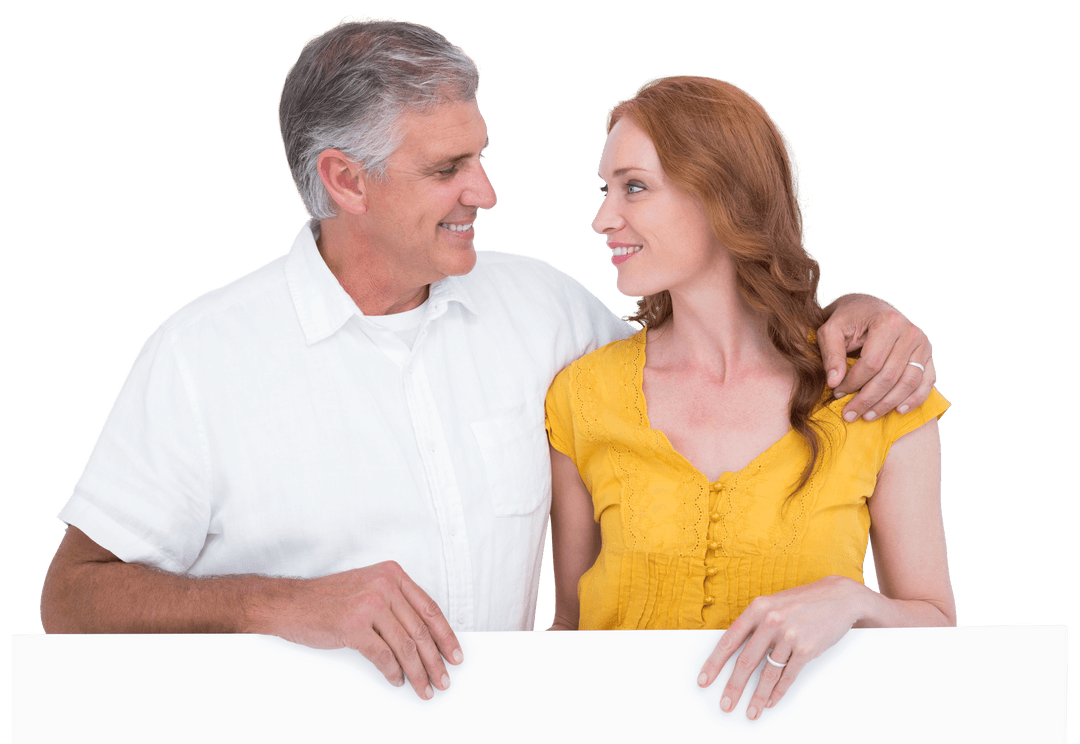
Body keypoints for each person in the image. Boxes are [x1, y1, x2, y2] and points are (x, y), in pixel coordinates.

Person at [39, 18, 938, 702]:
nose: (487, 192)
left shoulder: (537, 309)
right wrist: (285, 604)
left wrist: (859, 317)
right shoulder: (204, 356)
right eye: (447, 170)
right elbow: (72, 602)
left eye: (481, 157)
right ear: (347, 180)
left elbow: (711, 353)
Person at [545, 75, 955, 720]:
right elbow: (567, 632)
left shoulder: (874, 390)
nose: (603, 218)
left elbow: (938, 630)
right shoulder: (582, 395)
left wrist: (856, 601)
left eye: (634, 186)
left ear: (721, 194)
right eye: (605, 190)